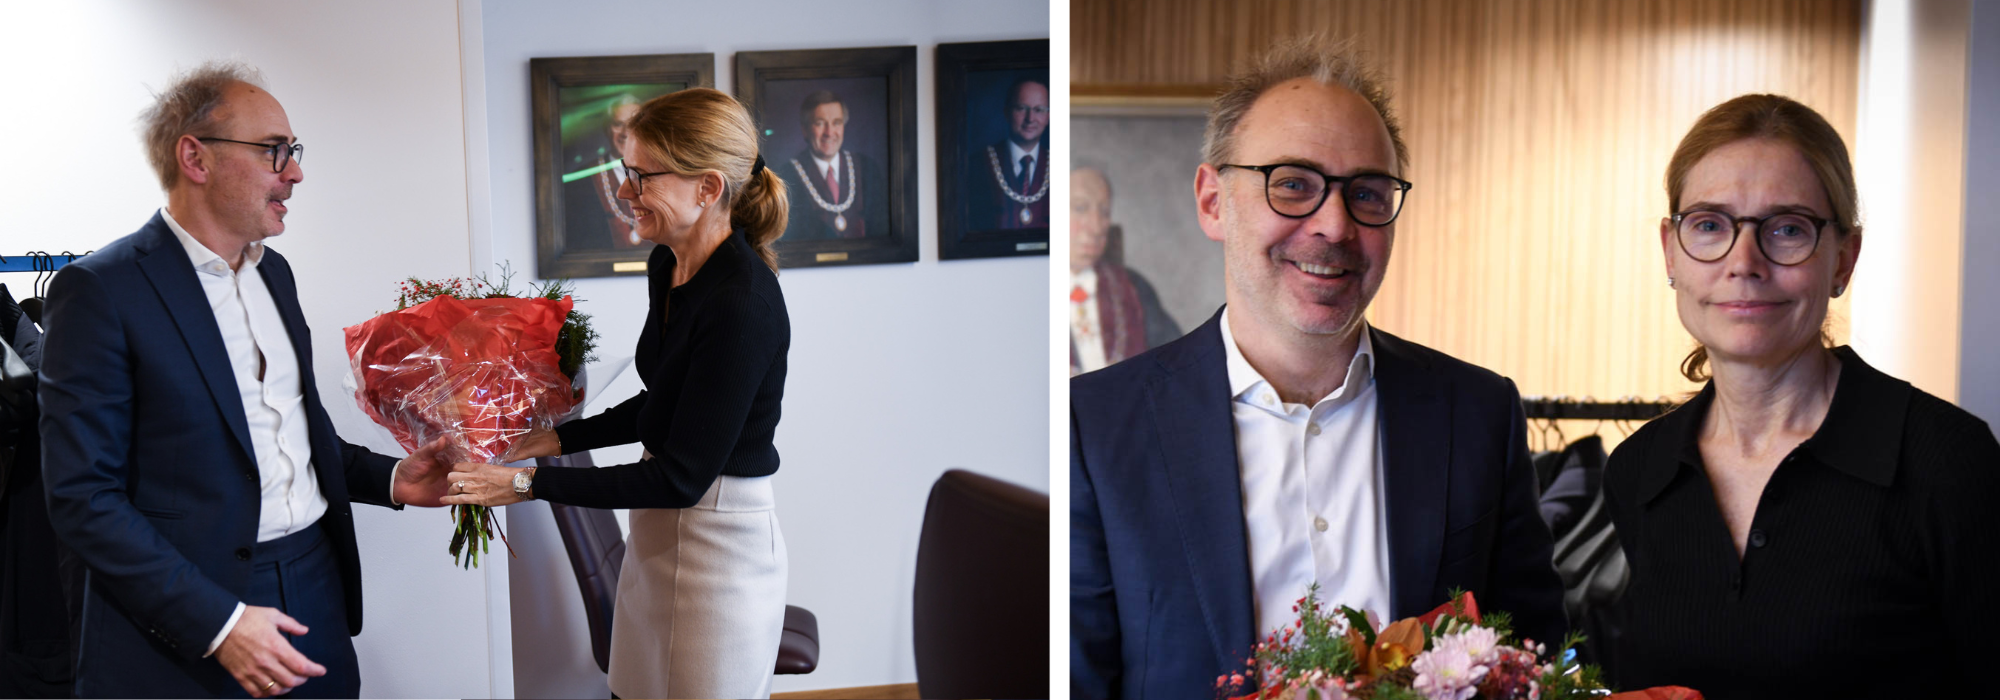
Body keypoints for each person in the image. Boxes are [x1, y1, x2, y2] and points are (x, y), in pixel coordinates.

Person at [1069, 36, 1566, 699]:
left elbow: (1532, 665)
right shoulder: (1095, 425)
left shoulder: (1478, 412)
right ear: (1214, 202)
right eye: (1294, 185)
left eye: (1366, 193)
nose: (1334, 225)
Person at [36, 61, 456, 699]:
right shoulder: (100, 290)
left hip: (314, 586)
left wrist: (394, 478)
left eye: (294, 151)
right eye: (274, 151)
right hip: (183, 620)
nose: (295, 171)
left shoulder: (275, 274)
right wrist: (218, 622)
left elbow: (288, 441)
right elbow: (81, 496)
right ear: (195, 158)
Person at [1602, 94, 2000, 698]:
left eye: (1786, 229)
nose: (1743, 261)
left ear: (1843, 258)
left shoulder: (1947, 459)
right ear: (1670, 251)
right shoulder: (1638, 471)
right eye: (1709, 225)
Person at [443, 87, 793, 699]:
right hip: (658, 531)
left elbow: (681, 477)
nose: (625, 191)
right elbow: (666, 399)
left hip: (720, 548)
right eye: (623, 171)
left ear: (708, 188)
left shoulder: (744, 303)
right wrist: (550, 437)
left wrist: (524, 482)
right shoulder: (671, 266)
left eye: (640, 176)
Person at [1068, 165, 1179, 375]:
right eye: (1081, 208)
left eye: (1104, 212)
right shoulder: (1030, 288)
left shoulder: (1134, 287)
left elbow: (1176, 360)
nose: (1097, 226)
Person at [776, 89, 887, 240]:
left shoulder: (867, 169)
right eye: (820, 123)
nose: (829, 132)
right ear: (805, 130)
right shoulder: (785, 176)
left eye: (836, 123)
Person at [561, 92, 649, 251]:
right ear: (607, 129)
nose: (625, 133)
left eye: (633, 125)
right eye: (618, 124)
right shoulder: (582, 180)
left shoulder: (664, 174)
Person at [968, 78, 1051, 230]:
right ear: (1007, 112)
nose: (1030, 118)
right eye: (1021, 108)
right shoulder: (976, 164)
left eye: (1038, 110)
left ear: (1048, 116)